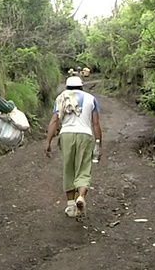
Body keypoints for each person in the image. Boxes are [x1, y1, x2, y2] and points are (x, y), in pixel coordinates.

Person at [44, 76, 102, 219]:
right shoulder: (91, 98)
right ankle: (81, 197)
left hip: (66, 135)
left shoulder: (61, 98)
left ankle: (70, 205)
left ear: (67, 87)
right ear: (81, 86)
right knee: (83, 168)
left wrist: (48, 141)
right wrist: (99, 142)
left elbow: (54, 121)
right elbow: (96, 123)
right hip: (85, 136)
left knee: (68, 168)